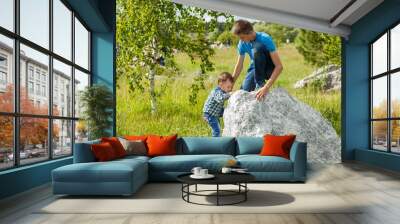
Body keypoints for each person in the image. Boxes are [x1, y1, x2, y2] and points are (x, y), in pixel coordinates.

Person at [231, 19, 283, 100]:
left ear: (249, 32)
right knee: (244, 90)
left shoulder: (265, 38)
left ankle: (260, 84)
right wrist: (231, 83)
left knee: (256, 48)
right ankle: (256, 82)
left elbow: (279, 66)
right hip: (255, 67)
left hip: (269, 69)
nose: (241, 40)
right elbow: (239, 65)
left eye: (242, 37)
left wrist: (266, 87)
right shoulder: (242, 43)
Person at [203, 72, 234, 137]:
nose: (230, 89)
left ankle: (217, 140)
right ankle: (215, 143)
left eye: (231, 87)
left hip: (215, 114)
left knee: (218, 127)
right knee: (217, 130)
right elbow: (220, 98)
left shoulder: (222, 92)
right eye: (228, 87)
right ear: (220, 84)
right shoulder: (217, 91)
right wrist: (229, 94)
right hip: (209, 114)